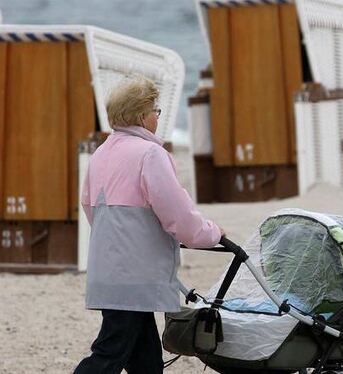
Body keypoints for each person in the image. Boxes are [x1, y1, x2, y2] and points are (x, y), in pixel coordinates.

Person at [74, 76, 222, 374]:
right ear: (142, 116)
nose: (158, 116)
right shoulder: (150, 154)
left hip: (108, 272)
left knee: (146, 361)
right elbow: (178, 215)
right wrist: (211, 233)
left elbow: (91, 209)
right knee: (108, 354)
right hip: (134, 277)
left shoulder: (101, 153)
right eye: (156, 110)